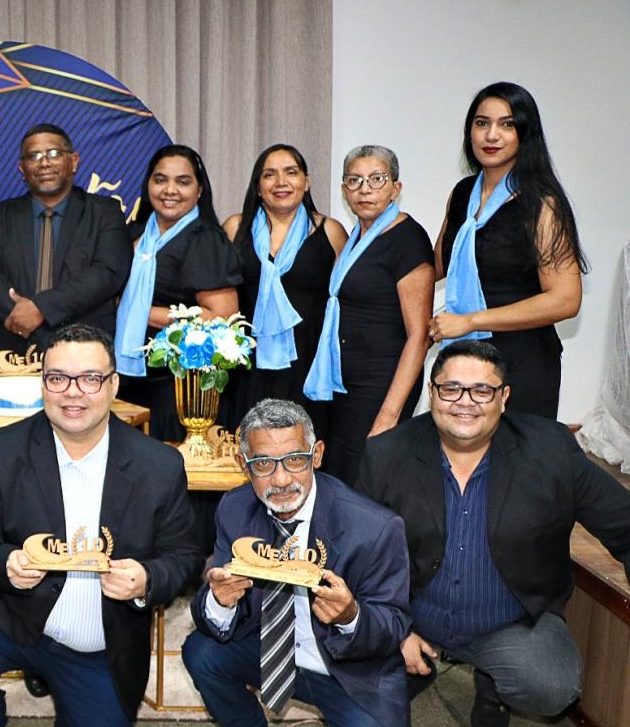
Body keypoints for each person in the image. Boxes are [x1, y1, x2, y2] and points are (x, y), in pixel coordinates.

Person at [0, 323, 199, 727]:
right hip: (14, 617)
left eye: (90, 378)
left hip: (95, 639)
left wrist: (147, 579)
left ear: (113, 384)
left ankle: (59, 683)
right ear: (43, 384)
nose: (73, 392)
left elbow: (185, 555)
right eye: (58, 378)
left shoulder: (158, 464)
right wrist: (5, 563)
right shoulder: (2, 449)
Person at [356, 341, 630, 727]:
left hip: (508, 624)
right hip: (414, 615)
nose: (465, 402)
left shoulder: (551, 451)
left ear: (504, 398)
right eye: (451, 388)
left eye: (482, 390)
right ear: (432, 393)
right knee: (347, 661)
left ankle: (492, 685)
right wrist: (393, 629)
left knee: (551, 684)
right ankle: (417, 659)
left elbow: (624, 524)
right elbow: (357, 553)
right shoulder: (387, 453)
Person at [183, 399, 413, 727]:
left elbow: (394, 625)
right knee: (200, 651)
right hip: (268, 650)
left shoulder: (374, 526)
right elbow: (214, 603)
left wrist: (351, 615)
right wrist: (220, 601)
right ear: (243, 464)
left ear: (317, 455)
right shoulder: (235, 507)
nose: (281, 479)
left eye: (294, 460)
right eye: (263, 464)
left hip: (346, 670)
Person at [429, 82, 586, 419]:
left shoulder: (542, 203)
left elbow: (566, 299)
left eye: (507, 124)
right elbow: (437, 264)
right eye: (482, 123)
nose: (491, 135)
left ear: (525, 134)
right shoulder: (462, 193)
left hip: (522, 362)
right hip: (464, 361)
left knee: (517, 452)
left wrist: (471, 321)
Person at [302, 145, 434, 485]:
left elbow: (419, 335)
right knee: (340, 477)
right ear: (344, 190)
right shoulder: (356, 239)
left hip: (381, 383)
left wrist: (389, 414)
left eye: (377, 179)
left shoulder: (407, 239)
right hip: (345, 383)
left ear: (396, 188)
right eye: (355, 180)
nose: (365, 189)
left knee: (367, 482)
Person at [0, 124, 131, 368]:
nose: (44, 163)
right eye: (33, 156)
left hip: (84, 351)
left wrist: (41, 309)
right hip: (10, 352)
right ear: (22, 168)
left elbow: (107, 273)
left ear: (74, 161)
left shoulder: (105, 213)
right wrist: (22, 315)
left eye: (54, 153)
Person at [114, 144, 241, 442]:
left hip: (177, 386)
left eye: (183, 182)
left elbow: (221, 318)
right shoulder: (133, 233)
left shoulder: (206, 240)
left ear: (199, 191)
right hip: (125, 379)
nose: (169, 190)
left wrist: (139, 311)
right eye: (160, 180)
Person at [219, 144, 348, 437]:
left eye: (291, 172)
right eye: (269, 174)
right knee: (242, 446)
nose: (281, 182)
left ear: (306, 181)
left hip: (307, 364)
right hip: (245, 366)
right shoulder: (235, 228)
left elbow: (347, 301)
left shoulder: (330, 231)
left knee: (301, 446)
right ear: (257, 186)